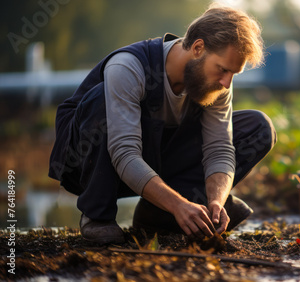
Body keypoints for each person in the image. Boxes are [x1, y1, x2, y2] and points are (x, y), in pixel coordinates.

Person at [48, 4, 276, 244]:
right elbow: (124, 152)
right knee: (103, 96)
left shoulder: (216, 84)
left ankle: (158, 214)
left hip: (154, 154)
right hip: (90, 162)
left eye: (233, 74)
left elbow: (219, 149)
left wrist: (216, 200)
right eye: (223, 69)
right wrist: (179, 205)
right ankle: (98, 215)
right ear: (198, 48)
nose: (227, 83)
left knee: (258, 127)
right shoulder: (128, 67)